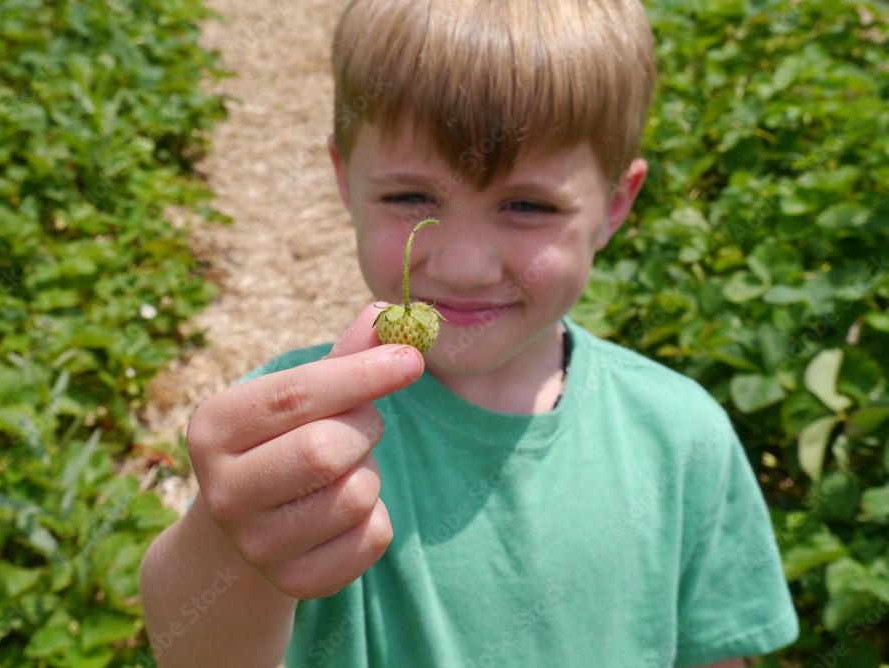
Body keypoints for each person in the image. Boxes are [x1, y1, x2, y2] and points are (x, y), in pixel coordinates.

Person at [139, 0, 800, 665]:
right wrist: (225, 547)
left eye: (527, 205)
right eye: (411, 198)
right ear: (344, 177)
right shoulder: (300, 430)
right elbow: (195, 653)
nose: (462, 265)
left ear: (615, 205)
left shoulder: (683, 437)